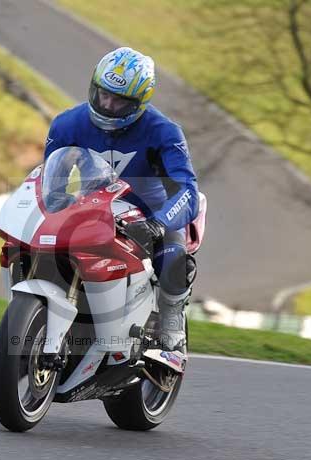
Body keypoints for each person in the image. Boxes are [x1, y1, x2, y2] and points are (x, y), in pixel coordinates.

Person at [44, 46, 200, 354]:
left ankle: (171, 320)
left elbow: (188, 190)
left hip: (151, 213)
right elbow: (49, 180)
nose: (108, 104)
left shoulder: (166, 132)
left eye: (119, 101)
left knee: (174, 261)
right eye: (103, 94)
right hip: (92, 209)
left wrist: (159, 223)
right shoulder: (66, 124)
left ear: (140, 102)